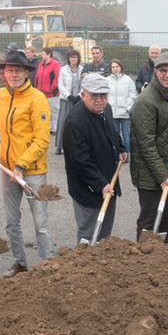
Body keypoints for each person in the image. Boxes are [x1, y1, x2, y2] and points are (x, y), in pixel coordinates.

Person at [0, 50, 54, 277]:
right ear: (4, 73)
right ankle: (20, 263)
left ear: (26, 73)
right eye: (10, 70)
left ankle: (47, 265)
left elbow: (42, 140)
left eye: (18, 70)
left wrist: (21, 165)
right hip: (7, 169)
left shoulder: (37, 99)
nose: (14, 74)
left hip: (32, 171)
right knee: (11, 221)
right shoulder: (0, 96)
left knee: (40, 222)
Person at [62, 73, 127, 243]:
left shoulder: (106, 109)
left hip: (109, 181)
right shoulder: (75, 122)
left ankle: (103, 257)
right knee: (89, 233)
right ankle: (85, 259)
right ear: (83, 94)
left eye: (103, 95)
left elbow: (112, 132)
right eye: (94, 96)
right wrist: (100, 184)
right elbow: (80, 161)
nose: (99, 100)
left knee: (105, 235)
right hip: (88, 188)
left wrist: (121, 147)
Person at [130, 51, 168, 240]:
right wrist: (162, 176)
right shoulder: (146, 101)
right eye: (163, 71)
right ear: (155, 72)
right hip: (150, 175)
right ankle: (144, 255)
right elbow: (146, 145)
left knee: (166, 216)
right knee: (149, 220)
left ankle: (162, 253)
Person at [55, 50, 83, 156]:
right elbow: (60, 84)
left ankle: (75, 146)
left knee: (77, 123)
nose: (73, 59)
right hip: (66, 100)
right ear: (68, 59)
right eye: (71, 57)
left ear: (78, 58)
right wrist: (68, 96)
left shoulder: (82, 69)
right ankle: (59, 146)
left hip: (78, 100)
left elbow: (84, 84)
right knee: (63, 122)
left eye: (75, 57)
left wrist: (79, 96)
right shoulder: (63, 70)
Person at [107, 59, 137, 155]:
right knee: (115, 134)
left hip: (125, 113)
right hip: (113, 113)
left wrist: (128, 107)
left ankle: (128, 154)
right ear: (110, 69)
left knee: (126, 134)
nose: (115, 69)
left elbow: (133, 94)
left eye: (117, 66)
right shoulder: (107, 80)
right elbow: (105, 95)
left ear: (121, 67)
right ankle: (118, 154)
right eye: (113, 67)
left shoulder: (128, 80)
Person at [34, 47, 61, 135]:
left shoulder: (55, 64)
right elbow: (37, 76)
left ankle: (55, 129)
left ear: (49, 55)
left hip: (52, 94)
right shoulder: (40, 64)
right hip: (41, 93)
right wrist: (36, 88)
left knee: (54, 111)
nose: (42, 56)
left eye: (43, 54)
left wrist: (51, 89)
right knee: (43, 111)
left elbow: (57, 78)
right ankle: (47, 127)